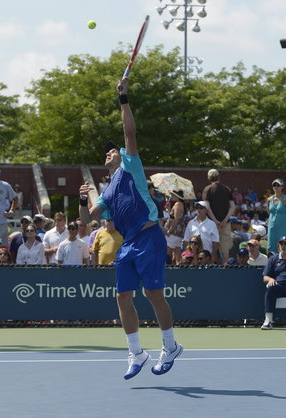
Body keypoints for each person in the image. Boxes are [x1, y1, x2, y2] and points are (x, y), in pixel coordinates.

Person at [78, 78, 182, 380]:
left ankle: (170, 346)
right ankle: (136, 352)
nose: (111, 152)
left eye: (114, 150)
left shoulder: (131, 166)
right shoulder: (107, 190)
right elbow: (87, 219)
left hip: (149, 236)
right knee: (122, 297)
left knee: (152, 293)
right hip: (128, 244)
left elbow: (130, 131)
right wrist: (82, 199)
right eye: (107, 152)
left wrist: (123, 98)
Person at [202, 168, 235, 262]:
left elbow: (206, 207)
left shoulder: (207, 189)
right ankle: (225, 268)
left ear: (208, 178)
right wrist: (225, 220)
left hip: (211, 224)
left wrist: (215, 220)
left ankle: (211, 267)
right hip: (225, 224)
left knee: (211, 247)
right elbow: (232, 207)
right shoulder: (227, 189)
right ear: (219, 176)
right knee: (225, 249)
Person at [267, 179, 286, 256]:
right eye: (274, 185)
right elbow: (269, 211)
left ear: (282, 187)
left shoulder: (285, 199)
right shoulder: (269, 199)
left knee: (283, 247)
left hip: (282, 228)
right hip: (272, 228)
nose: (276, 187)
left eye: (278, 185)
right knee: (271, 247)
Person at [164, 189, 186, 264]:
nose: (172, 196)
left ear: (177, 196)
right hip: (178, 233)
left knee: (168, 254)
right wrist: (169, 209)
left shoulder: (178, 204)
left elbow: (176, 220)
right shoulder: (180, 204)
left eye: (173, 194)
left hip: (174, 233)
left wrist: (169, 231)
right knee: (177, 256)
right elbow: (173, 217)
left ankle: (168, 271)